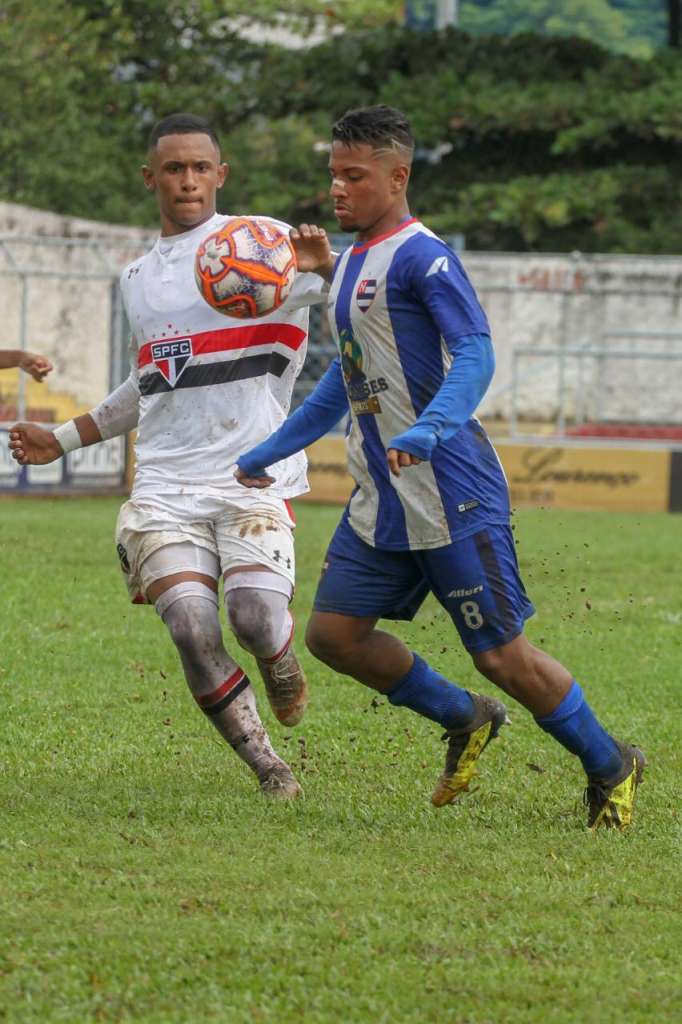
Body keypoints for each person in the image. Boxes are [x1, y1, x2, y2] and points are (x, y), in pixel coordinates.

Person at [235, 105, 646, 829]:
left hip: (451, 489)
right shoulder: (348, 266)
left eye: (354, 176)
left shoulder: (426, 258)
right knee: (334, 637)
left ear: (398, 177)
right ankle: (466, 718)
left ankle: (611, 763)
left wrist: (429, 428)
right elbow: (344, 382)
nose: (337, 189)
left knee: (501, 657)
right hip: (383, 497)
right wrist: (269, 450)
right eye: (333, 174)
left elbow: (477, 353)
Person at [9, 113, 334, 800]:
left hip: (252, 475)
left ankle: (278, 659)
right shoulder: (139, 278)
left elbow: (363, 305)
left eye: (200, 168)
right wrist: (63, 437)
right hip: (164, 484)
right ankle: (269, 767)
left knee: (254, 618)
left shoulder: (267, 244)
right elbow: (153, 382)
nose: (188, 180)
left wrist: (329, 271)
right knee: (190, 625)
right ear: (150, 177)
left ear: (221, 175)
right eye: (174, 168)